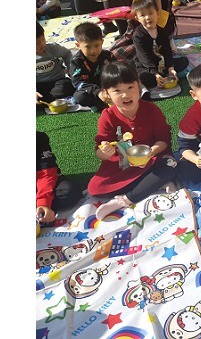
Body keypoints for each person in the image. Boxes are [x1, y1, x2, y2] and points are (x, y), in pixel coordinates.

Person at [88, 61, 177, 220]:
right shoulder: (107, 116)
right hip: (123, 164)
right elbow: (100, 151)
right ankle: (153, 183)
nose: (125, 95)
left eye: (130, 87)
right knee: (95, 188)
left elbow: (164, 140)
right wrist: (105, 152)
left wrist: (149, 153)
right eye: (117, 90)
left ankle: (125, 200)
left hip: (153, 158)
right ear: (107, 93)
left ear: (139, 86)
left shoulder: (151, 110)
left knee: (170, 165)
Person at [131, 0, 189, 93]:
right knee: (144, 77)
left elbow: (167, 50)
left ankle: (164, 75)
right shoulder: (138, 35)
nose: (148, 17)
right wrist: (155, 74)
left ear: (158, 14)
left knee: (184, 61)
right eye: (143, 15)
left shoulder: (162, 31)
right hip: (146, 66)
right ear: (137, 18)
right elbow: (144, 57)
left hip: (161, 63)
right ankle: (159, 77)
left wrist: (171, 68)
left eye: (151, 13)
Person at [36, 131, 83, 223]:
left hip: (42, 185)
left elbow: (46, 174)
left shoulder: (38, 139)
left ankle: (42, 211)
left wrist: (43, 203)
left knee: (71, 191)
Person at [70, 22, 115, 111]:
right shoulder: (77, 61)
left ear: (102, 42)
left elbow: (117, 72)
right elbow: (78, 82)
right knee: (80, 97)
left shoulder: (108, 56)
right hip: (90, 90)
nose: (93, 50)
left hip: (107, 87)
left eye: (97, 45)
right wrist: (98, 92)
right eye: (88, 47)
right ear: (78, 45)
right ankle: (100, 104)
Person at [36, 22, 75, 104]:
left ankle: (44, 99)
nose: (42, 44)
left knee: (67, 86)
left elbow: (67, 54)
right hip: (38, 84)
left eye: (43, 39)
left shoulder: (53, 48)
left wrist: (70, 69)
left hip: (57, 81)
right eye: (37, 43)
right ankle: (43, 98)